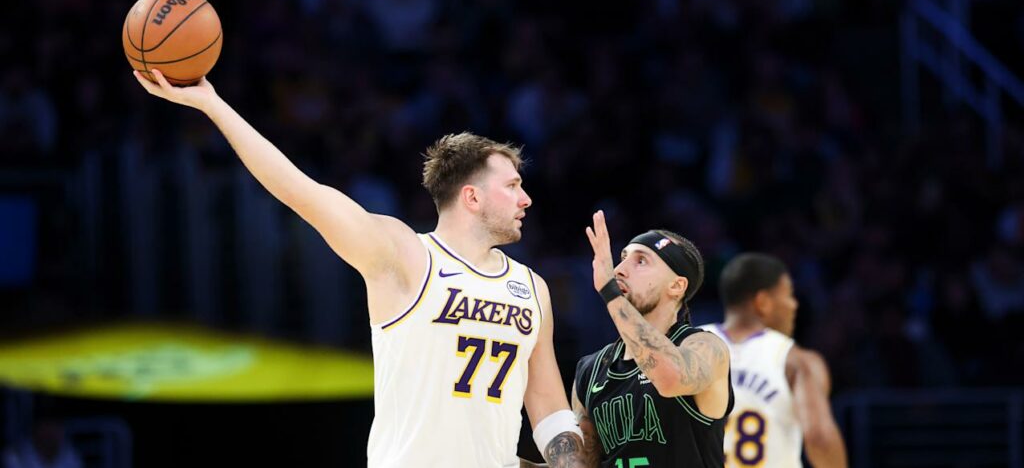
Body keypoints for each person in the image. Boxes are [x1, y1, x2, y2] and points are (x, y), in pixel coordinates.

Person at [133, 70, 584, 468]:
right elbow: (299, 191)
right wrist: (212, 103)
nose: (526, 199)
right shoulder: (405, 255)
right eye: (512, 186)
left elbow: (547, 403)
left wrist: (569, 463)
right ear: (472, 197)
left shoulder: (531, 287)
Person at [571, 211, 734, 467]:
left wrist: (609, 291)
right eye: (622, 258)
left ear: (677, 286)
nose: (619, 270)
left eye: (641, 261)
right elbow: (580, 463)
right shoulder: (590, 370)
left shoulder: (705, 347)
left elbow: (670, 379)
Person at [701, 253, 847, 467]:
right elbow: (820, 438)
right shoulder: (796, 360)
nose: (793, 305)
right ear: (762, 302)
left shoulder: (689, 346)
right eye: (788, 294)